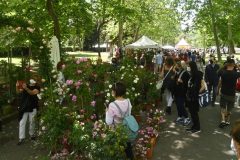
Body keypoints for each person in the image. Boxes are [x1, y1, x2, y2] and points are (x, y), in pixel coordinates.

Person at [105, 82, 134, 159]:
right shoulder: (128, 101)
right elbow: (129, 114)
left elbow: (109, 122)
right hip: (127, 128)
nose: (111, 92)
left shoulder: (112, 105)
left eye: (112, 90)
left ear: (115, 92)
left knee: (117, 151)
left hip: (117, 131)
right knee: (128, 148)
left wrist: (107, 112)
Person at [16, 78, 40, 145]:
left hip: (33, 107)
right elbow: (19, 92)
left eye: (35, 79)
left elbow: (32, 93)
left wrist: (26, 88)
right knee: (22, 122)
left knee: (32, 121)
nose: (33, 80)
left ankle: (32, 135)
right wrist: (17, 86)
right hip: (24, 107)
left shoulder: (37, 87)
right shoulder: (25, 85)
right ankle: (21, 138)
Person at [218, 59, 240, 128]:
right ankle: (228, 121)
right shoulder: (236, 74)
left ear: (227, 64)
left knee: (223, 107)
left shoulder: (222, 72)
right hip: (232, 94)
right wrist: (237, 66)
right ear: (233, 65)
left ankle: (223, 120)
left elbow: (218, 72)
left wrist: (224, 65)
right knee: (229, 108)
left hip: (224, 93)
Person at [185, 61, 203, 133]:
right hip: (190, 96)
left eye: (188, 66)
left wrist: (191, 89)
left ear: (192, 66)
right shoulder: (192, 74)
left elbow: (196, 86)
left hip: (193, 97)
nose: (188, 67)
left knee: (194, 112)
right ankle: (194, 126)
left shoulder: (197, 74)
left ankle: (197, 127)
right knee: (192, 112)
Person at [173, 60, 191, 125]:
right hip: (177, 91)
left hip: (182, 92)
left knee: (181, 105)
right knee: (178, 105)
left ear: (180, 66)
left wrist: (182, 82)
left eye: (177, 65)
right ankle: (180, 116)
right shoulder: (178, 72)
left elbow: (188, 83)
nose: (175, 66)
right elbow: (175, 80)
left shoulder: (186, 73)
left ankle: (186, 117)